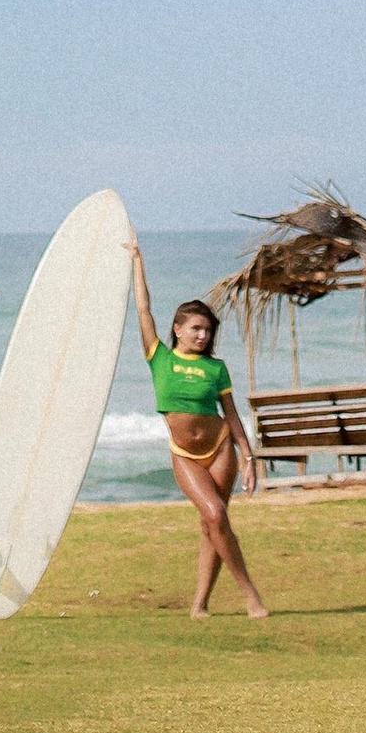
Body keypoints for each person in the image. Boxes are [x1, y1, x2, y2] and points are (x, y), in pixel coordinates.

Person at [131, 243, 267, 619]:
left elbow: (232, 415)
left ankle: (200, 604)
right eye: (196, 328)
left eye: (207, 330)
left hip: (221, 448)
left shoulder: (216, 368)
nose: (203, 336)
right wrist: (138, 261)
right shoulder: (159, 357)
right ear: (177, 329)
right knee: (214, 514)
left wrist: (249, 457)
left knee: (213, 524)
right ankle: (251, 595)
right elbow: (143, 309)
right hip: (185, 454)